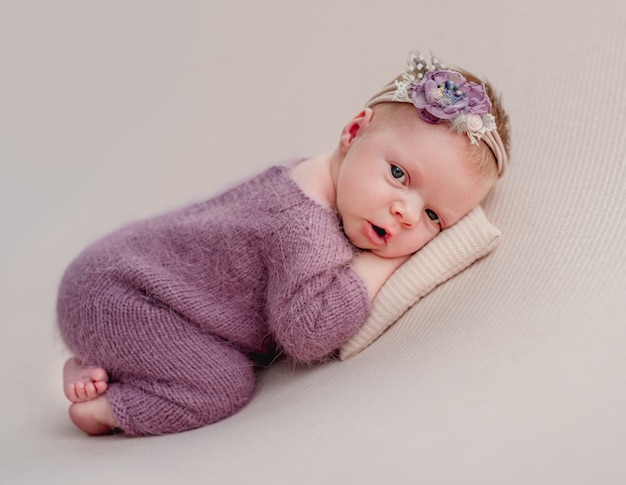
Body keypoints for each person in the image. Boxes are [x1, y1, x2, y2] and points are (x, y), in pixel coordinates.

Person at [58, 50, 510, 436]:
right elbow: (308, 333)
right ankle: (110, 406)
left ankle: (103, 361)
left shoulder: (319, 180)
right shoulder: (303, 225)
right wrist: (377, 267)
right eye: (399, 175)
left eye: (433, 216)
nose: (407, 214)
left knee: (198, 353)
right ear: (353, 133)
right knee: (222, 385)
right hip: (120, 294)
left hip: (118, 280)